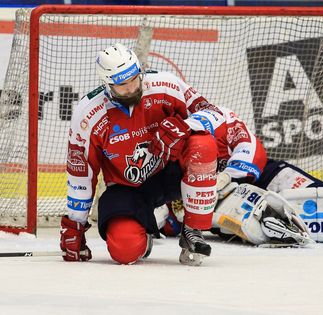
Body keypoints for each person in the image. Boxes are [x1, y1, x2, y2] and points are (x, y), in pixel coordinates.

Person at [61, 43, 226, 266]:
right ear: (107, 84)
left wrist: (186, 126)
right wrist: (75, 226)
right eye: (122, 85)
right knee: (124, 251)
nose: (131, 88)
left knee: (202, 144)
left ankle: (192, 230)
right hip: (127, 188)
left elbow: (215, 114)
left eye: (134, 79)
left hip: (170, 173)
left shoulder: (165, 85)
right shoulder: (88, 114)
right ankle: (144, 233)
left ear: (139, 71)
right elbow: (82, 174)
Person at [157, 105, 323, 243]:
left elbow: (252, 149)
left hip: (259, 175)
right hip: (224, 205)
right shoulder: (157, 153)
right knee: (266, 228)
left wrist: (226, 177)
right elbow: (169, 219)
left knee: (319, 194)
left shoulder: (214, 117)